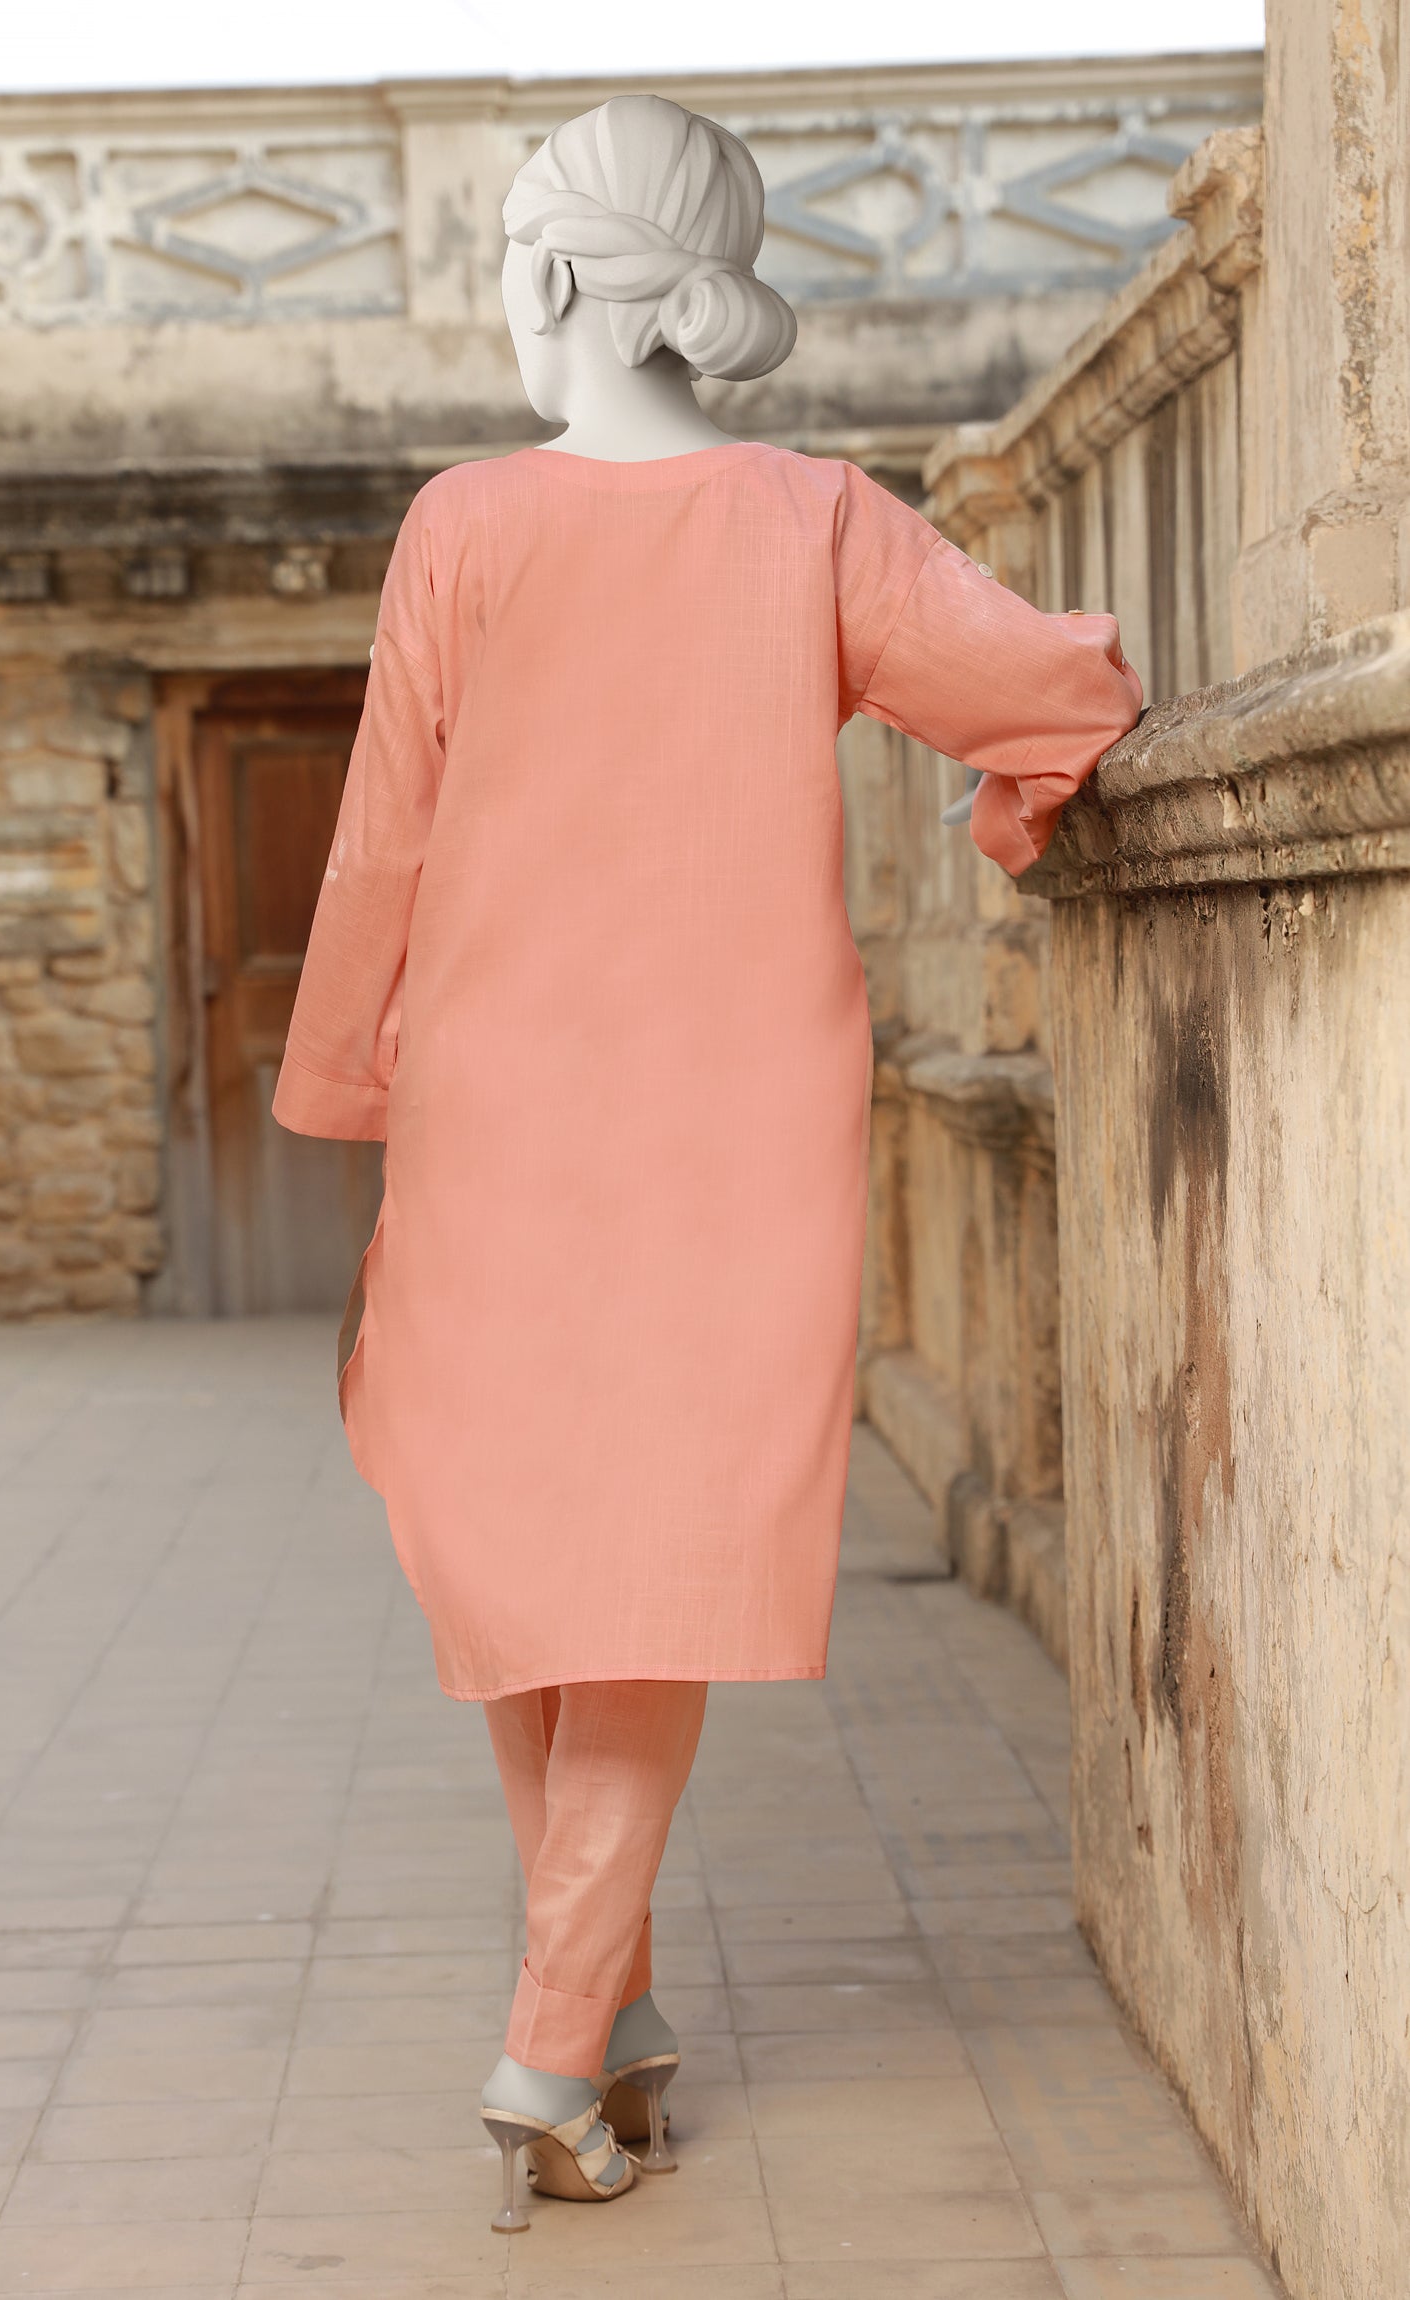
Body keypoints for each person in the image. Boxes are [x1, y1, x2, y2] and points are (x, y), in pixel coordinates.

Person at [273, 93, 1143, 2234]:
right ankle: (613, 2014)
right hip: (723, 1138)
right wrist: (1018, 806)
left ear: (563, 272)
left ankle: (550, 2038)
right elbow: (1053, 693)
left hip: (495, 1127)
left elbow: (381, 843)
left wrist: (350, 1091)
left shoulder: (461, 527)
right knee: (591, 1564)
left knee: (554, 1559)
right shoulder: (817, 524)